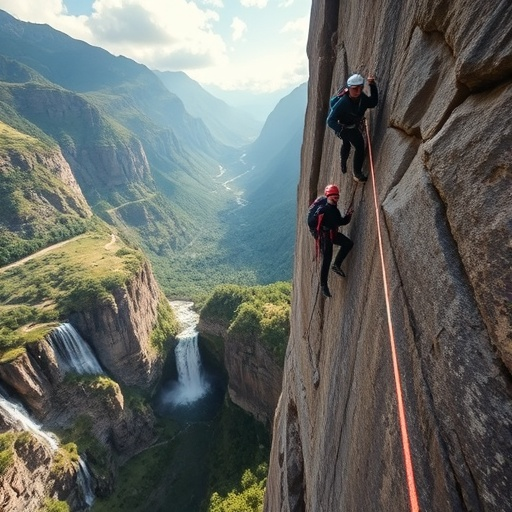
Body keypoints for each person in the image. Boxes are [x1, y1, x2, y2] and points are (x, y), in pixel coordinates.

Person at [327, 73, 378, 182]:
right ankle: (356, 173)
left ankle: (344, 163)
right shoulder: (342, 103)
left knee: (347, 143)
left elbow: (373, 103)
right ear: (349, 88)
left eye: (360, 88)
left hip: (350, 125)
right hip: (344, 127)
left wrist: (372, 85)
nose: (358, 91)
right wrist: (341, 130)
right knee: (359, 146)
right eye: (355, 89)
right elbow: (330, 120)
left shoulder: (361, 98)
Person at [308, 184, 354, 298]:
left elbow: (341, 221)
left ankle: (336, 264)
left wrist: (348, 216)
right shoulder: (323, 209)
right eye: (334, 197)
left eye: (337, 197)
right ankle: (323, 285)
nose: (336, 199)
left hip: (331, 233)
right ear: (328, 196)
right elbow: (312, 223)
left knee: (348, 243)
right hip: (324, 237)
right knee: (327, 258)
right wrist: (318, 215)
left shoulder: (333, 209)